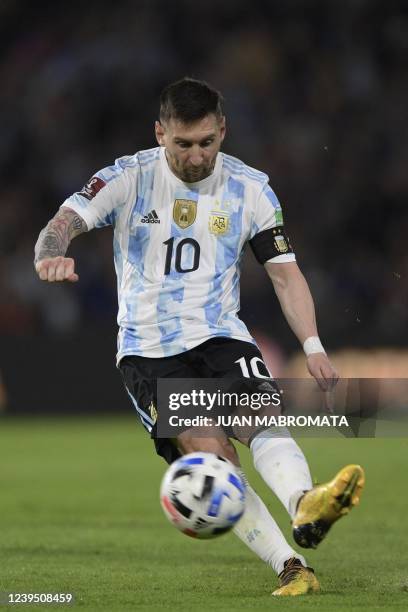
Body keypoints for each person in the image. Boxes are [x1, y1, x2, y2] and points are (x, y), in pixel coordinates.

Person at [34, 77, 364, 596]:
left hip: (220, 335)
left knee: (261, 419)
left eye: (207, 142)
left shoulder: (250, 187)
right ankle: (291, 566)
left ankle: (305, 503)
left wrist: (314, 346)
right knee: (214, 461)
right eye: (182, 144)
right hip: (148, 351)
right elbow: (64, 221)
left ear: (223, 131)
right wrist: (49, 253)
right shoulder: (129, 177)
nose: (195, 156)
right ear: (160, 132)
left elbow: (285, 273)